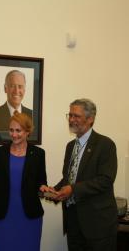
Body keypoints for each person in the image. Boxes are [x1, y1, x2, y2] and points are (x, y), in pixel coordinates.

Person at [42, 98, 118, 251]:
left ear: (90, 119)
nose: (71, 119)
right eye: (69, 115)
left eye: (76, 116)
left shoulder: (105, 145)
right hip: (73, 222)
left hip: (97, 225)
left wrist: (73, 190)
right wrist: (54, 190)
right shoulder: (70, 146)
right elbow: (69, 178)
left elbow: (105, 180)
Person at [0, 112, 47, 251]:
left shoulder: (38, 154)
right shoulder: (0, 153)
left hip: (30, 215)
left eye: (18, 130)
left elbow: (41, 181)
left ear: (28, 132)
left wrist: (44, 188)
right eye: (11, 130)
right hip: (5, 214)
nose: (14, 134)